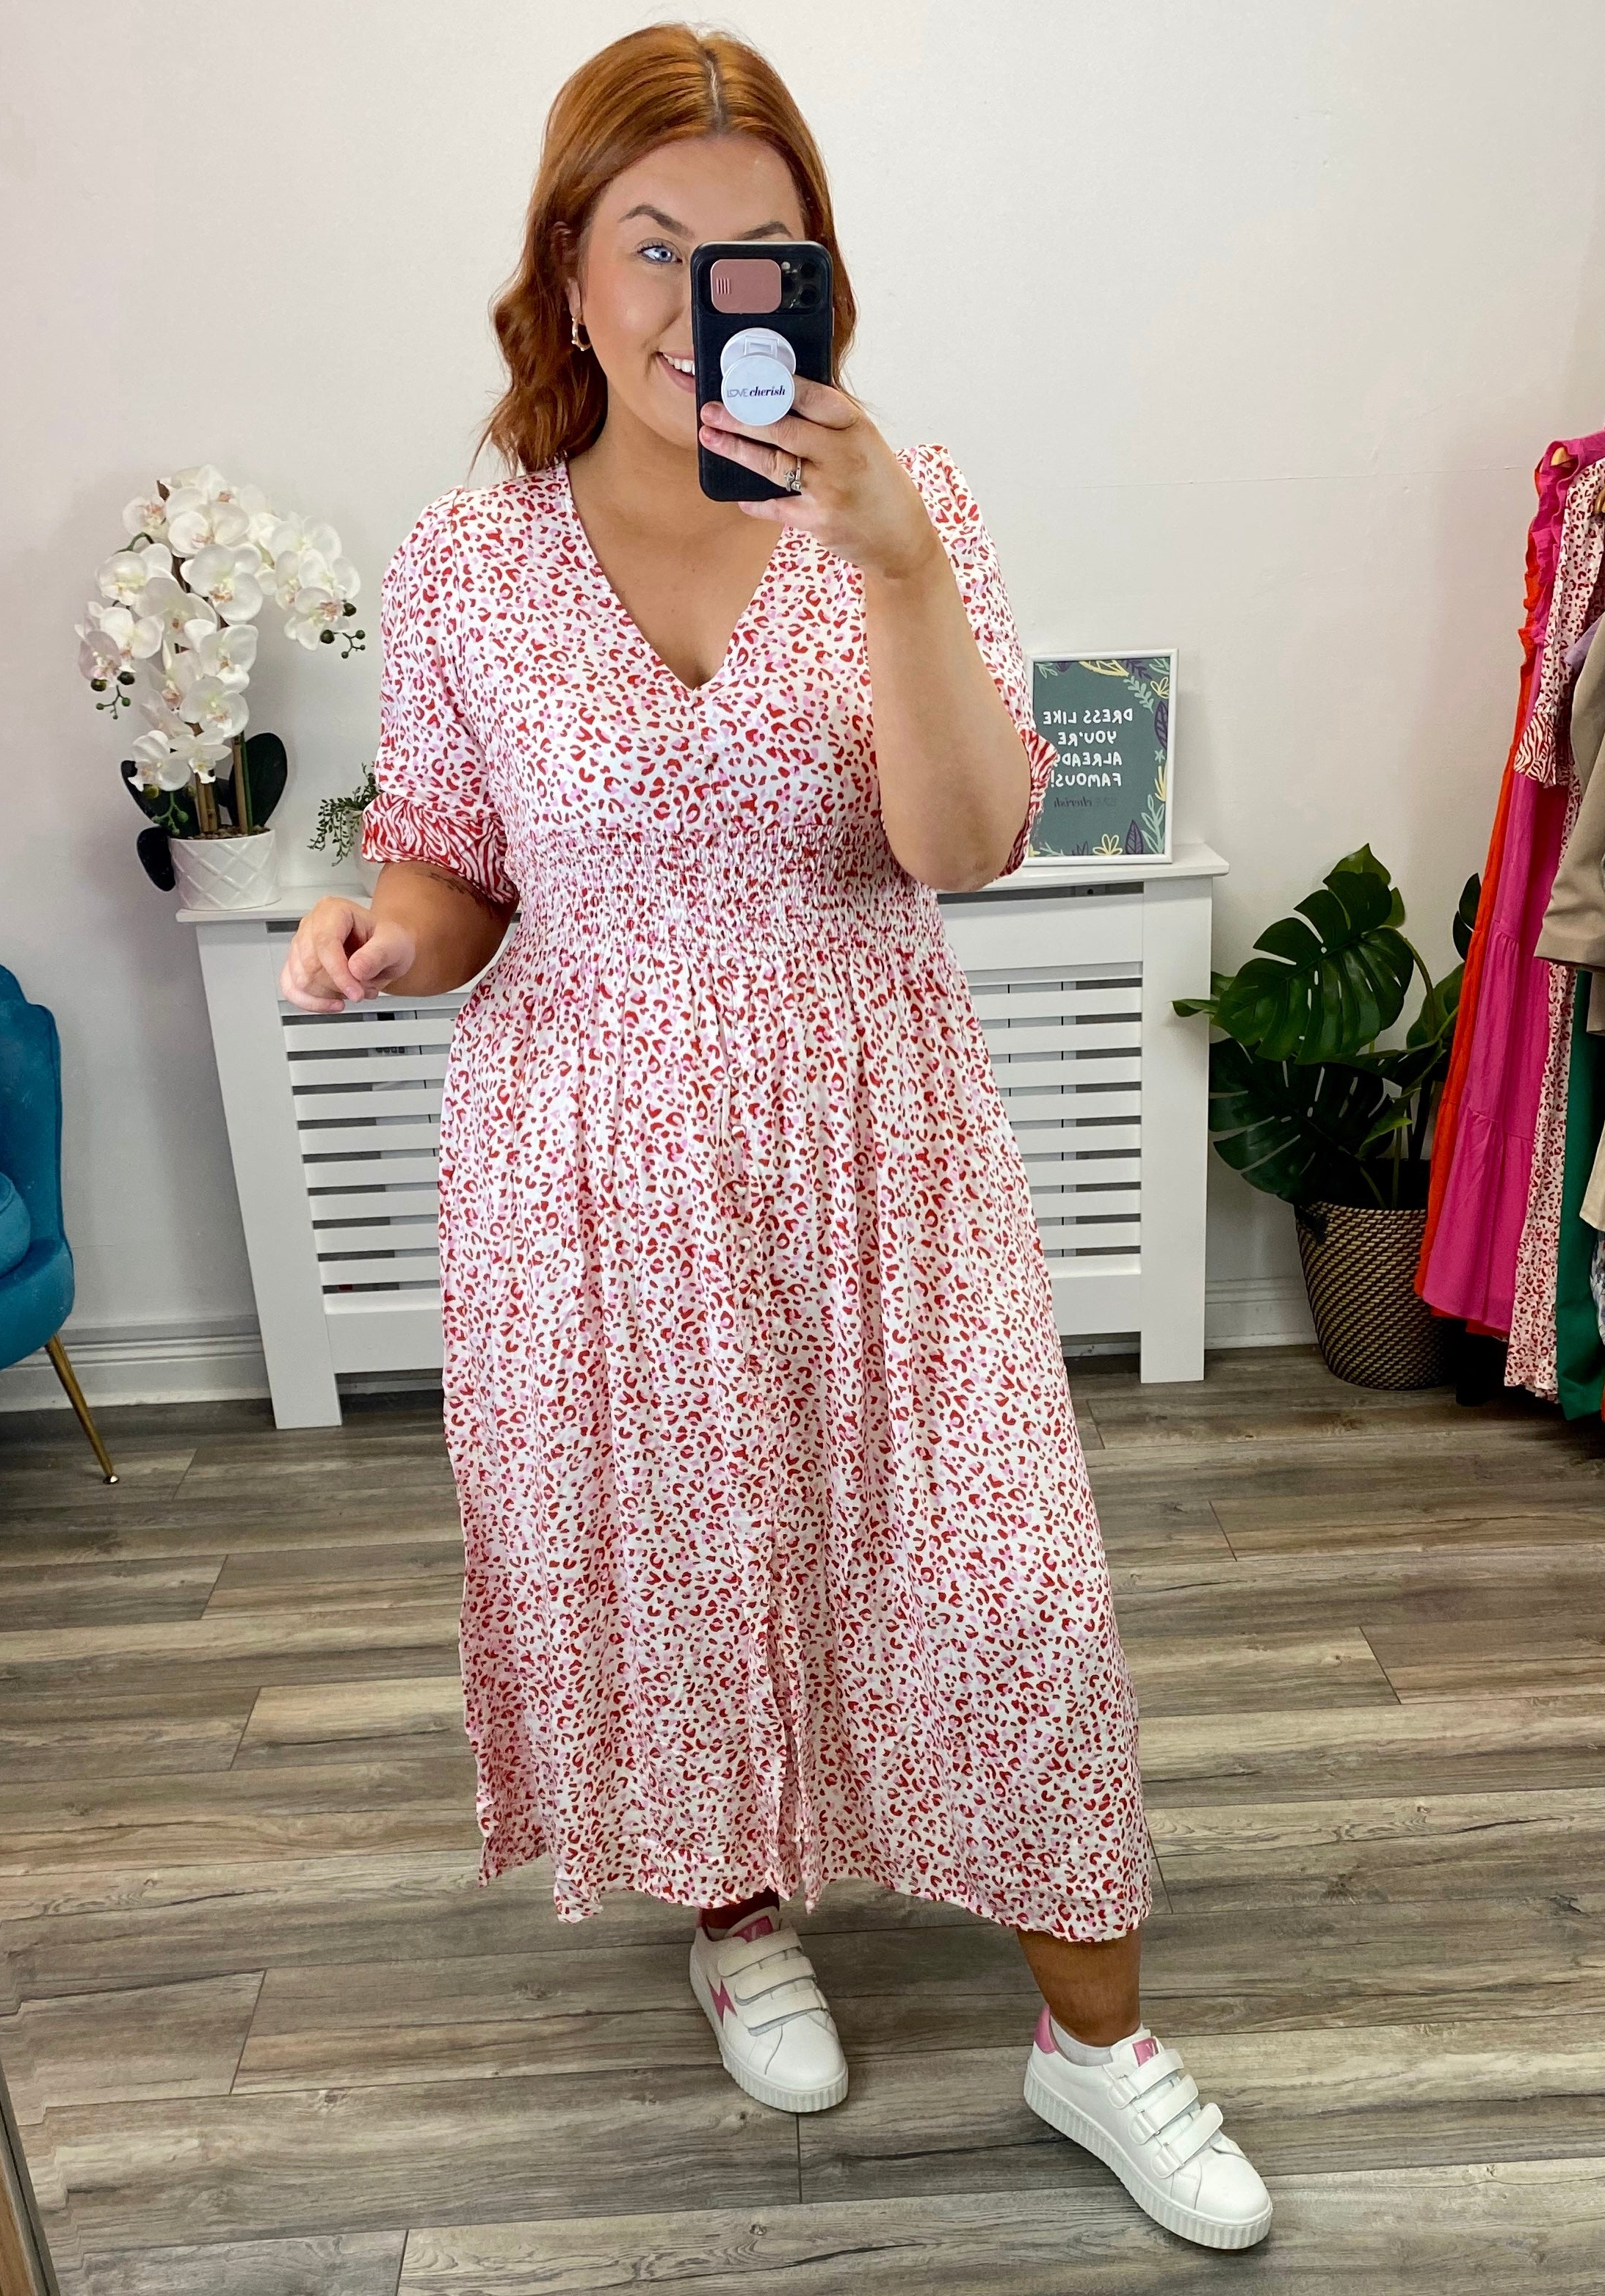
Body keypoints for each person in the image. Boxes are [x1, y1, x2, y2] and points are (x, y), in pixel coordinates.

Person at [279, 23, 1271, 2253]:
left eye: (756, 253)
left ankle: (1096, 2045)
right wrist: (378, 934)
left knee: (1008, 1588)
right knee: (681, 1570)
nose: (696, 298)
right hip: (589, 1165)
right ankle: (736, 1918)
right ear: (564, 268)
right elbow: (455, 864)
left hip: (875, 1139)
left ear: (812, 283)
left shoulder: (908, 515)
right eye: (651, 244)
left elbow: (964, 845)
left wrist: (899, 568)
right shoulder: (468, 558)